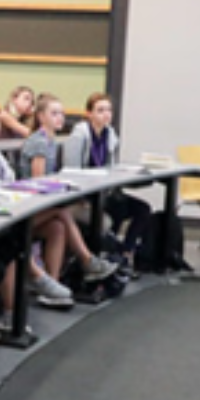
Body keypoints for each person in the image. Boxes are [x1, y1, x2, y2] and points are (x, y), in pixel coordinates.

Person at [0, 102, 74, 308]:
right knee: (48, 218)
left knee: (56, 226)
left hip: (10, 207)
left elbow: (10, 179)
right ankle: (18, 304)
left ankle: (50, 285)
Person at [18, 93, 119, 283]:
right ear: (41, 117)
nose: (60, 118)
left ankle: (52, 283)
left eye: (62, 114)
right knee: (63, 213)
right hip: (29, 208)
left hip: (45, 207)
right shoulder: (39, 141)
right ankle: (87, 260)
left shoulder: (51, 140)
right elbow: (37, 182)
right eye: (54, 113)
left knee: (58, 227)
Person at [63, 92, 149, 274]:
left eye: (109, 110)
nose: (106, 114)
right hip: (81, 198)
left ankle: (125, 253)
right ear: (89, 114)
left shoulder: (110, 135)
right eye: (100, 110)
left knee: (141, 209)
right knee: (112, 216)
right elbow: (70, 172)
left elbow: (111, 167)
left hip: (103, 193)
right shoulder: (79, 136)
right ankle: (107, 257)